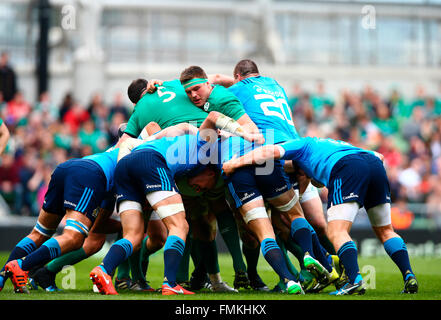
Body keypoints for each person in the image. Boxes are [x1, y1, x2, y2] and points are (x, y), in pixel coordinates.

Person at [89, 111, 263, 295]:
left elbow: (135, 143)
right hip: (152, 161)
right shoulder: (204, 142)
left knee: (133, 236)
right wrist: (244, 132)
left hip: (125, 166)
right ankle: (170, 284)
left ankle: (104, 269)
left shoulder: (177, 142)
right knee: (179, 226)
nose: (199, 189)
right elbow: (212, 115)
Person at [222, 136, 418, 295]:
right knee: (385, 230)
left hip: (346, 167)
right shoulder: (335, 144)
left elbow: (269, 152)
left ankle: (354, 280)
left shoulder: (303, 144)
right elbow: (379, 157)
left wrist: (235, 163)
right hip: (374, 165)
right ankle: (409, 276)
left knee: (337, 231)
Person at [210, 59, 338, 291]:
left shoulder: (233, 94)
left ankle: (291, 278)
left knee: (265, 229)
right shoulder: (274, 84)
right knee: (299, 218)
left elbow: (212, 84)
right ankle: (321, 262)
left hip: (259, 153)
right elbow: (247, 82)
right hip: (288, 150)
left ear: (237, 77)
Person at [123, 77, 260, 291]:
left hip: (176, 159)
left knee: (183, 219)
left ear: (134, 103)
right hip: (214, 144)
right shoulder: (177, 84)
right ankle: (231, 271)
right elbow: (210, 86)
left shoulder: (140, 110)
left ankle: (171, 277)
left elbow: (127, 139)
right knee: (219, 210)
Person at [0, 142, 120, 293]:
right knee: (75, 238)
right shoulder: (140, 153)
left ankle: (1, 277)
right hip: (90, 174)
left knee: (40, 232)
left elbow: (99, 225)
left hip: (67, 167)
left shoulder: (122, 148)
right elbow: (100, 224)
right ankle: (22, 266)